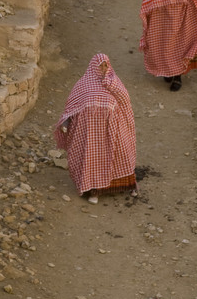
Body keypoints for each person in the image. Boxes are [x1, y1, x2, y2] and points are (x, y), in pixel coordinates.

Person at [54, 53, 136, 203]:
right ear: (93, 67)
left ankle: (129, 185)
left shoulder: (114, 83)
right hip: (89, 132)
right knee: (91, 158)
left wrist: (110, 84)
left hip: (113, 129)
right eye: (100, 65)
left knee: (119, 154)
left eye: (105, 65)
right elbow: (72, 107)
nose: (103, 68)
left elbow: (125, 102)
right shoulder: (83, 85)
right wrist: (65, 124)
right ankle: (94, 191)